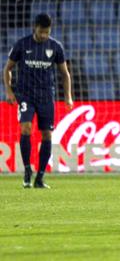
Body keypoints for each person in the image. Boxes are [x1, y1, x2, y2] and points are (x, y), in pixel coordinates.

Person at [3, 13, 73, 189]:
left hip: (46, 97)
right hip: (25, 95)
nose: (44, 36)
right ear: (35, 28)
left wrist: (68, 97)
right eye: (41, 32)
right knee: (26, 128)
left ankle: (40, 177)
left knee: (47, 135)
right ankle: (27, 170)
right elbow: (7, 69)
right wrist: (9, 91)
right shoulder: (22, 44)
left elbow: (65, 74)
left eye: (47, 32)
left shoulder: (55, 47)